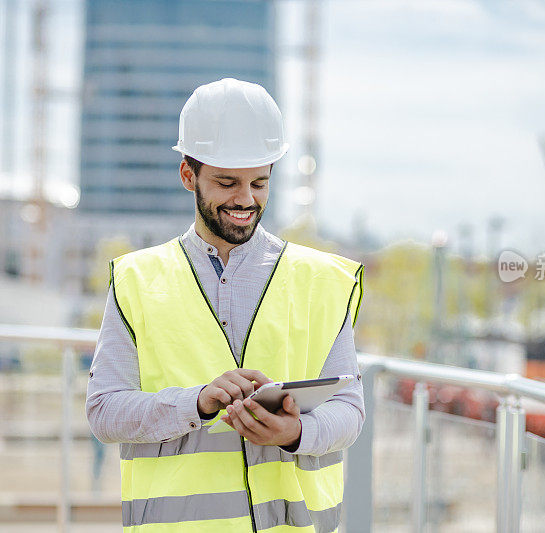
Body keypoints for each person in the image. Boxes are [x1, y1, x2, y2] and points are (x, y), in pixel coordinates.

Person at [86, 78, 365, 533]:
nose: (246, 199)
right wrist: (193, 403)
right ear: (187, 175)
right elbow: (104, 411)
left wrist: (296, 434)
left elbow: (349, 411)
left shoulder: (323, 282)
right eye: (227, 182)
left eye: (259, 182)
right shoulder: (137, 281)